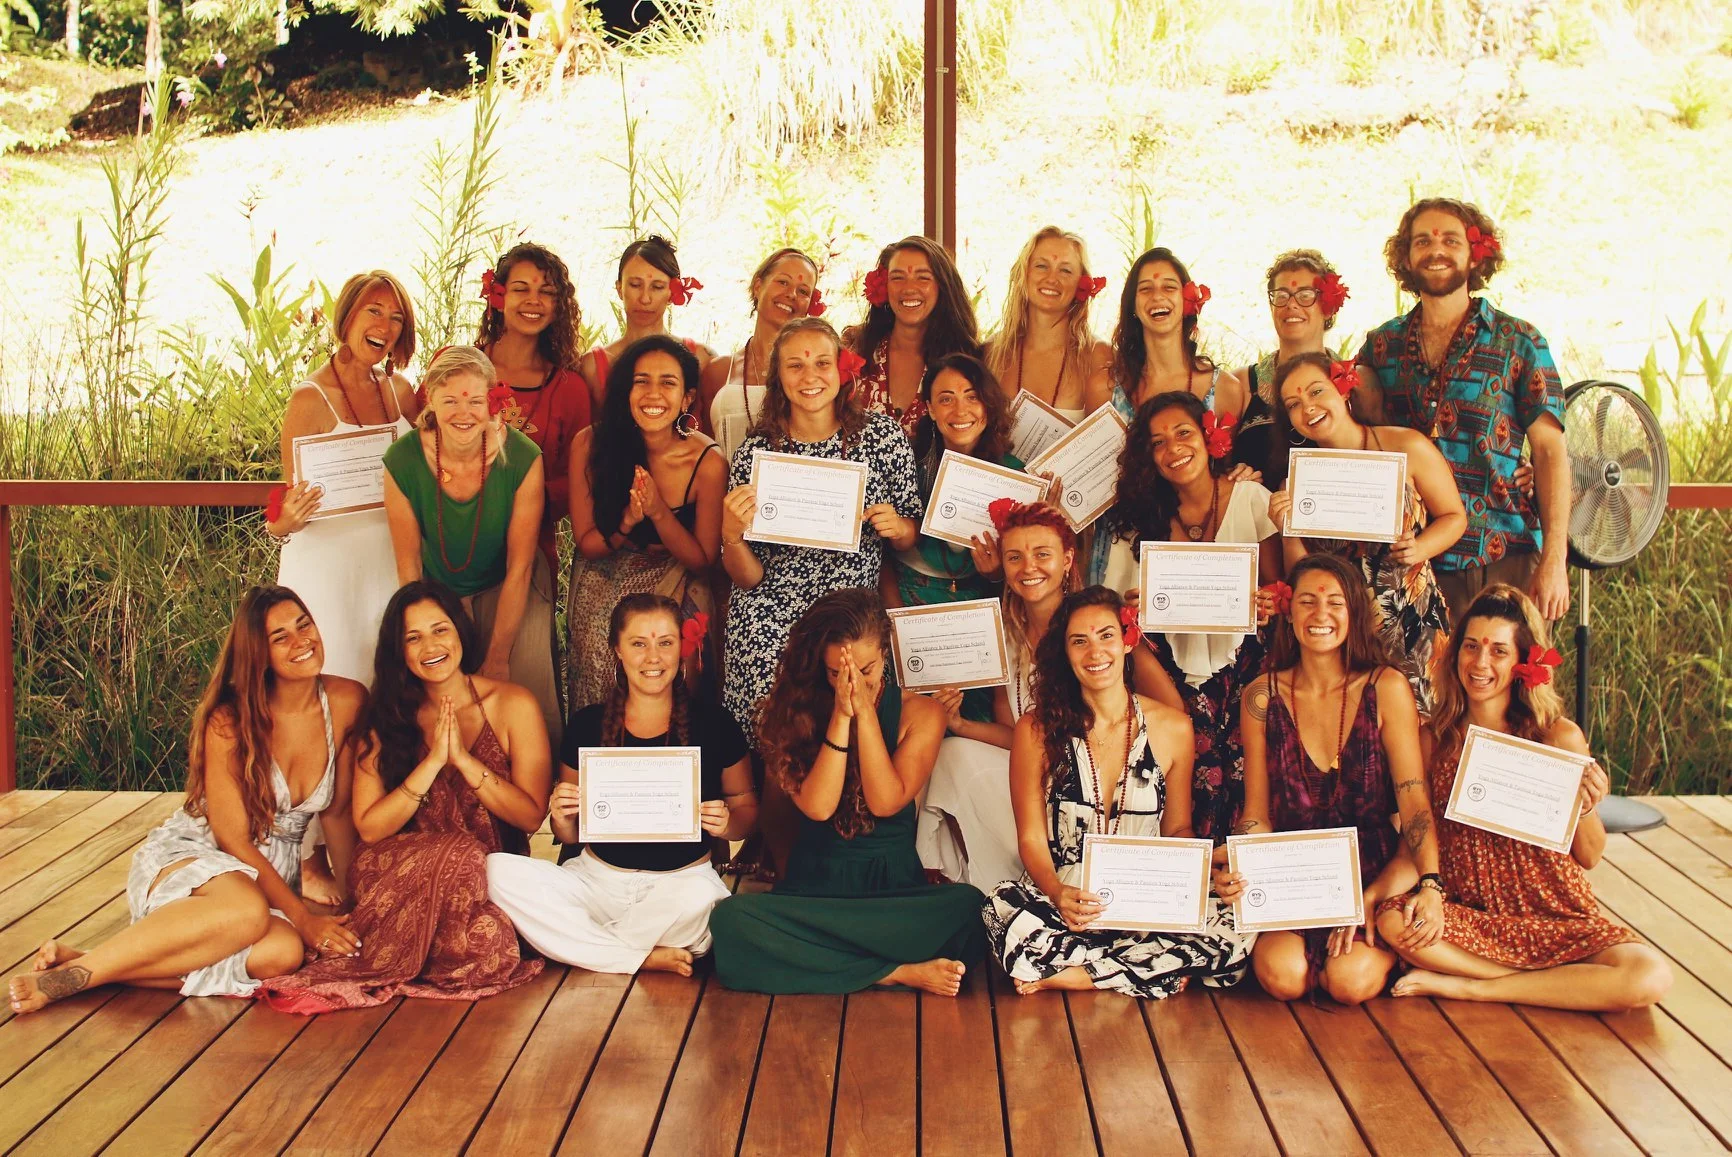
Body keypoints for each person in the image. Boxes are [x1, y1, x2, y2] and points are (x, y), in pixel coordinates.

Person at [7, 587, 365, 1015]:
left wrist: (352, 905)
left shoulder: (347, 701)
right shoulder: (229, 719)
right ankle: (69, 980)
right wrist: (304, 917)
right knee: (248, 912)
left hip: (271, 876)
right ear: (259, 654)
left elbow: (338, 814)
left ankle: (94, 964)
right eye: (279, 637)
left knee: (283, 953)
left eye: (303, 625)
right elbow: (233, 838)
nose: (301, 641)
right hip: (197, 855)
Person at [1376, 585, 1672, 1011]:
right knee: (1392, 920)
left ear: (1521, 662)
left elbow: (1589, 855)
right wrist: (1392, 893)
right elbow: (1420, 839)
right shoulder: (1434, 740)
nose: (1480, 663)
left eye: (1498, 651)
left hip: (1554, 913)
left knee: (1649, 976)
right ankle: (1557, 985)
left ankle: (1472, 986)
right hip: (1473, 911)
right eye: (1471, 647)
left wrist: (1585, 805)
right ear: (1456, 652)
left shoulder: (1558, 736)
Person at [259, 582, 549, 1013]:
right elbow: (372, 827)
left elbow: (530, 817)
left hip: (488, 877)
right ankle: (408, 942)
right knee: (464, 854)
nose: (430, 646)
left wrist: (466, 763)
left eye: (440, 630)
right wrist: (432, 763)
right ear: (400, 650)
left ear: (460, 634)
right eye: (413, 638)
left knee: (490, 940)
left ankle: (412, 943)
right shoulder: (387, 715)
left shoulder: (512, 704)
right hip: (395, 872)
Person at [708, 589, 986, 996]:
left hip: (891, 893)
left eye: (867, 669)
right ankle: (892, 972)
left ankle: (830, 962)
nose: (854, 682)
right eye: (838, 673)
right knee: (731, 922)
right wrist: (841, 716)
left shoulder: (921, 713)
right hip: (815, 891)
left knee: (969, 909)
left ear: (886, 657)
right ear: (821, 666)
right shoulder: (794, 712)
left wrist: (868, 713)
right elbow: (819, 808)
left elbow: (885, 800)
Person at [986, 587, 1254, 996]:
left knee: (1236, 932)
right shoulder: (1035, 730)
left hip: (1148, 897)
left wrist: (1207, 865)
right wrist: (1058, 894)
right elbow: (1031, 838)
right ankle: (1149, 969)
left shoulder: (1173, 727)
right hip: (1071, 897)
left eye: (1106, 636)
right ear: (1065, 650)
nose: (1096, 653)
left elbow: (1177, 830)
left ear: (1128, 641)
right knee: (1006, 921)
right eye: (1080, 641)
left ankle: (1083, 976)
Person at [487, 594, 757, 976]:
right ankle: (639, 955)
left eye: (665, 642)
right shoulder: (587, 724)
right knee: (496, 870)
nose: (653, 657)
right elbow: (571, 834)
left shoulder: (715, 723)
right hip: (596, 882)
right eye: (638, 644)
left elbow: (746, 811)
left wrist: (727, 822)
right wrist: (562, 815)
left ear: (681, 646)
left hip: (680, 886)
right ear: (617, 649)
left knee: (705, 903)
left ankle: (586, 946)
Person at [917, 500, 1182, 889]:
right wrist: (961, 724)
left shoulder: (1095, 624)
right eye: (1015, 557)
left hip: (1108, 779)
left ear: (1068, 559)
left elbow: (1171, 716)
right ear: (1002, 567)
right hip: (1038, 773)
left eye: (1042, 554)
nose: (1029, 568)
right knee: (952, 753)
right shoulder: (1004, 633)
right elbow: (1015, 733)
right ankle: (1000, 886)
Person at [1228, 554, 1444, 1005]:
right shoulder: (1261, 696)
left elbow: (1414, 805)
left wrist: (1429, 883)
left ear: (1354, 613)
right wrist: (1246, 869)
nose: (1320, 614)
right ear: (1289, 611)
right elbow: (1256, 812)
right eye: (1307, 601)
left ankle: (1382, 951)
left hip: (1372, 870)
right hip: (1293, 876)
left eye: (1334, 602)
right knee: (1282, 975)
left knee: (1348, 982)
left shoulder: (1385, 687)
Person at [268, 270, 418, 903]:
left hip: (385, 563)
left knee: (377, 695)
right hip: (325, 565)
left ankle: (368, 832)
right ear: (347, 316)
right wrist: (287, 518)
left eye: (395, 319)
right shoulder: (309, 398)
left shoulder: (402, 393)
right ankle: (307, 855)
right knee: (320, 699)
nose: (382, 328)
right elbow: (279, 510)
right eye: (373, 313)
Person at [1354, 198, 1570, 623]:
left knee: (1506, 687)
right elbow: (1357, 436)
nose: (1436, 250)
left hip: (1503, 553)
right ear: (1406, 256)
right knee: (1421, 691)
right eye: (1422, 241)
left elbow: (1550, 453)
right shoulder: (1382, 346)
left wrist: (1554, 561)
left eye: (1451, 239)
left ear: (1476, 256)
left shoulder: (1519, 341)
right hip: (1412, 561)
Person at [721, 317, 922, 744]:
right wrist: (732, 536)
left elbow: (909, 536)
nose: (810, 376)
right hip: (769, 612)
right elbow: (748, 577)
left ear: (841, 371)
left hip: (848, 613)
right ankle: (771, 800)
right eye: (795, 365)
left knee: (844, 719)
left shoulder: (881, 437)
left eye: (821, 363)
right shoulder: (757, 453)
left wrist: (897, 526)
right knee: (776, 722)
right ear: (778, 375)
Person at [1094, 391, 1283, 842]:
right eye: (1158, 442)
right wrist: (1137, 605)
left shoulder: (1253, 499)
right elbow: (1119, 613)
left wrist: (1269, 601)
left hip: (1245, 664)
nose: (1173, 449)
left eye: (1183, 433)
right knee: (1182, 739)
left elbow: (1282, 592)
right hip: (1169, 670)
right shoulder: (1139, 520)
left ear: (1209, 435)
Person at [382, 345, 561, 749]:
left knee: (524, 677)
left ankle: (539, 787)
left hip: (510, 580)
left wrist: (499, 656)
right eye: (450, 400)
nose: (464, 413)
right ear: (431, 399)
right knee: (438, 681)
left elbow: (519, 567)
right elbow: (409, 566)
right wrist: (420, 633)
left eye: (475, 400)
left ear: (492, 401)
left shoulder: (523, 457)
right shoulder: (402, 460)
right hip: (437, 586)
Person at [1270, 352, 1465, 714]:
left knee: (1423, 731)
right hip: (1341, 633)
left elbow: (1455, 517)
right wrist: (1287, 530)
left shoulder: (1407, 447)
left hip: (1412, 623)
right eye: (1294, 404)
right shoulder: (1300, 478)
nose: (1308, 408)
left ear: (1343, 388)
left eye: (1316, 392)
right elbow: (1301, 574)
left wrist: (1421, 547)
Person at [566, 337, 724, 708]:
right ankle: (599, 750)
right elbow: (589, 544)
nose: (654, 394)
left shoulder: (707, 462)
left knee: (677, 660)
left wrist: (657, 513)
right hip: (607, 565)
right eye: (642, 381)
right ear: (625, 390)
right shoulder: (590, 444)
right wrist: (627, 521)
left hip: (676, 570)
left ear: (687, 399)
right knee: (602, 652)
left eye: (668, 383)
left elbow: (702, 560)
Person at [476, 242, 593, 572]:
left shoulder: (570, 390)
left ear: (558, 306)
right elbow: (420, 445)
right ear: (498, 297)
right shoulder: (459, 367)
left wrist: (517, 498)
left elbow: (576, 479)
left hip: (529, 558)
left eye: (546, 292)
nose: (533, 301)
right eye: (520, 289)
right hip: (452, 554)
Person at [894, 352, 1021, 612]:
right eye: (946, 399)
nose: (960, 410)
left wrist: (996, 572)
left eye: (972, 397)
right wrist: (895, 618)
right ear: (929, 408)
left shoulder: (1015, 474)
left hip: (983, 605)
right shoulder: (906, 464)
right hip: (907, 597)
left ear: (988, 403)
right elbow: (881, 555)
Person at [845, 235, 982, 439]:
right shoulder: (855, 349)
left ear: (942, 286)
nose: (909, 288)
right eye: (898, 277)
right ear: (884, 287)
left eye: (923, 277)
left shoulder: (968, 359)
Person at [1088, 246, 1246, 421]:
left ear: (1187, 300)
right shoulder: (1104, 389)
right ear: (1133, 305)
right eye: (1145, 289)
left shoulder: (1225, 390)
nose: (1157, 296)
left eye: (1169, 287)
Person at [1235, 249, 1348, 485]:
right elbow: (1212, 470)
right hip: (1255, 517)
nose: (1292, 305)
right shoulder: (1241, 385)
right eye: (1282, 295)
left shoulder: (1355, 381)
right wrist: (1236, 472)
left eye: (1305, 295)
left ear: (1329, 306)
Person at [700, 247, 821, 463]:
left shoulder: (817, 379)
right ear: (758, 286)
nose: (792, 294)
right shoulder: (718, 371)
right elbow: (706, 451)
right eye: (783, 282)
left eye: (803, 291)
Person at [983, 226, 1112, 422]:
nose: (1052, 278)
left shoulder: (1098, 355)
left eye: (1066, 270)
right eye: (1042, 266)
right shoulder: (991, 351)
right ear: (1023, 274)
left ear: (1081, 283)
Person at [579, 235, 715, 410]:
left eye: (657, 287)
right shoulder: (592, 367)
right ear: (619, 288)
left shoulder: (702, 359)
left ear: (673, 293)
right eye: (635, 285)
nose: (645, 298)